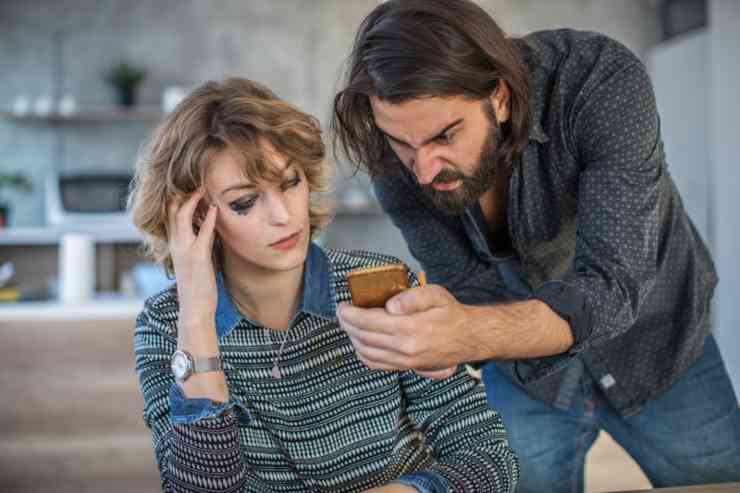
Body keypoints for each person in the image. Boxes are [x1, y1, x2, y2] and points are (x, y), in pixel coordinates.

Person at [330, 1, 740, 491]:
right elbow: (467, 287)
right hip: (528, 379)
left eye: (445, 135)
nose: (423, 170)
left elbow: (612, 286)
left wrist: (466, 334)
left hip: (658, 346)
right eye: (402, 142)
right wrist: (437, 339)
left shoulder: (598, 81)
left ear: (499, 97)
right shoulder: (394, 161)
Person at [129, 77, 519, 493]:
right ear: (194, 220)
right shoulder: (165, 326)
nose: (283, 216)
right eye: (245, 202)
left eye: (290, 182)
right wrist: (197, 320)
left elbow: (489, 458)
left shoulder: (379, 286)